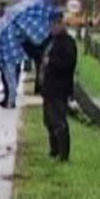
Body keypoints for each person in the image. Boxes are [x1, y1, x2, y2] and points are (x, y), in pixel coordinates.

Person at [42, 10, 77, 162]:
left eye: (55, 24)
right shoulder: (52, 41)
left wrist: (50, 62)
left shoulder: (67, 43)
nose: (52, 27)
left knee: (59, 121)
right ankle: (54, 149)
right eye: (51, 24)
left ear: (61, 24)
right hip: (49, 87)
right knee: (49, 120)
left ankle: (64, 154)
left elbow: (68, 64)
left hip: (59, 87)